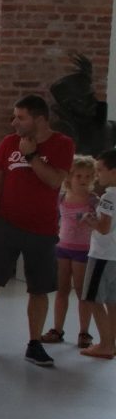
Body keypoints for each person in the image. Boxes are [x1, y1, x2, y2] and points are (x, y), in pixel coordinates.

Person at [0, 93, 72, 367]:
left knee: (39, 288)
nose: (14, 123)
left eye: (20, 118)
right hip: (7, 224)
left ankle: (34, 343)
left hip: (42, 229)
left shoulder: (62, 144)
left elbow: (54, 181)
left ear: (39, 119)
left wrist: (32, 155)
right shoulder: (9, 143)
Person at [46, 155, 97, 348]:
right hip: (62, 248)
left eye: (88, 176)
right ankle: (57, 329)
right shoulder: (61, 197)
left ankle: (84, 332)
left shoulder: (93, 200)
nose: (83, 180)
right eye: (79, 176)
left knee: (82, 292)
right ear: (70, 177)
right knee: (62, 290)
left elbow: (102, 222)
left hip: (83, 250)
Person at [78, 149, 116, 359]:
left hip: (103, 255)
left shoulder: (109, 196)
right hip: (114, 256)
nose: (97, 174)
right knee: (112, 300)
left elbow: (104, 228)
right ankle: (111, 342)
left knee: (93, 299)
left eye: (100, 170)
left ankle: (106, 344)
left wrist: (90, 220)